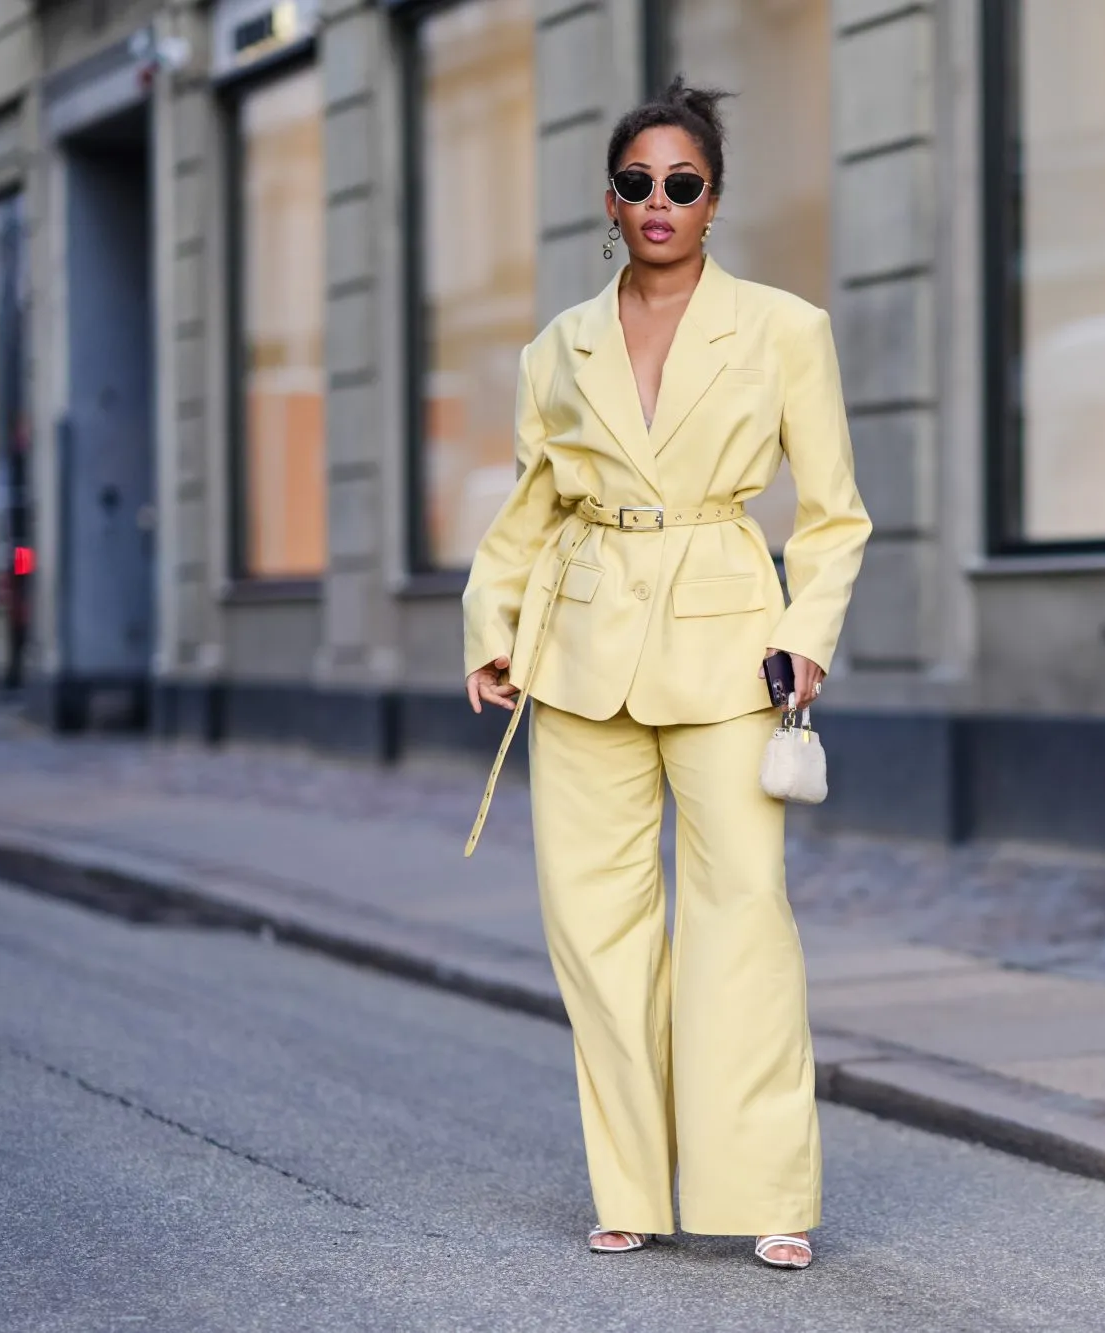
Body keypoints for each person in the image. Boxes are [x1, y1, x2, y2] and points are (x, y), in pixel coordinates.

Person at [460, 77, 870, 1271]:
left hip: (730, 648)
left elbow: (834, 514)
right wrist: (491, 623)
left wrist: (808, 631)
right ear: (610, 200)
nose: (658, 200)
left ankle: (763, 1190)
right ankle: (630, 1183)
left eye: (680, 184)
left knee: (743, 917)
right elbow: (532, 505)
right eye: (636, 182)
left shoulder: (785, 330)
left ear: (712, 200)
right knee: (594, 928)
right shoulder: (556, 348)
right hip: (580, 654)